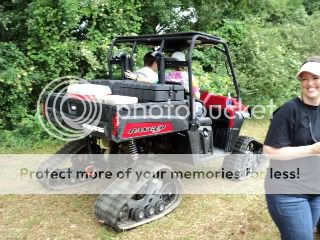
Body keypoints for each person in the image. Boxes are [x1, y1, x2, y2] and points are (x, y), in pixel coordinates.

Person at [263, 56, 320, 239]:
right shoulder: (289, 110)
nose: (309, 83)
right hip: (288, 191)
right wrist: (312, 150)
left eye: (315, 77)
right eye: (304, 78)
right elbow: (269, 151)